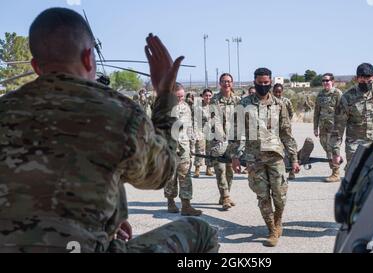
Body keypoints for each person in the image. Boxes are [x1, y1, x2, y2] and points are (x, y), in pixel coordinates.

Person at [0, 8, 218, 253]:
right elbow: (163, 172)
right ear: (88, 58)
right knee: (201, 232)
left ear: (35, 66)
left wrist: (112, 214)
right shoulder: (118, 112)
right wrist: (164, 97)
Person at [232, 68, 301, 247]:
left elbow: (286, 133)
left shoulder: (279, 104)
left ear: (270, 82)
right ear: (254, 82)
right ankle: (271, 230)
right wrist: (234, 156)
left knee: (280, 195)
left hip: (276, 157)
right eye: (260, 83)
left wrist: (294, 158)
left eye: (266, 83)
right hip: (254, 159)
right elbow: (236, 132)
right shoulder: (244, 103)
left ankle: (278, 221)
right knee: (262, 196)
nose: (263, 86)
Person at [330, 63, 373, 171]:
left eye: (369, 81)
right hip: (355, 146)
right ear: (356, 79)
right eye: (362, 81)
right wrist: (335, 152)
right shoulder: (347, 97)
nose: (365, 84)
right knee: (354, 178)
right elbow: (338, 126)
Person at [164, 83, 202, 216]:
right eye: (178, 96)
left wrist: (192, 145)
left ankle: (186, 205)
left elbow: (189, 127)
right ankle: (170, 202)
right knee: (171, 176)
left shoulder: (186, 107)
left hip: (184, 146)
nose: (181, 98)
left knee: (185, 175)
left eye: (182, 96)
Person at [210, 73, 240, 210]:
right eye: (223, 81)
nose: (226, 84)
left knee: (230, 169)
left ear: (232, 83)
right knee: (220, 169)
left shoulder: (238, 100)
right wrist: (222, 137)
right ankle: (226, 196)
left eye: (228, 81)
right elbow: (214, 119)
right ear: (219, 83)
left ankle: (225, 195)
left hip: (233, 141)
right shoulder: (214, 100)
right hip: (219, 140)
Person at [313, 73, 343, 182]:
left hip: (334, 127)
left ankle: (336, 173)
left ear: (332, 81)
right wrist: (315, 127)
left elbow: (342, 111)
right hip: (323, 127)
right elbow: (316, 112)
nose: (325, 82)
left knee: (334, 148)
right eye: (323, 81)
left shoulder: (337, 93)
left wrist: (340, 127)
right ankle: (337, 161)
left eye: (327, 80)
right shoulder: (320, 94)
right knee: (327, 148)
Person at [272, 83, 296, 180]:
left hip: (285, 129)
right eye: (276, 92)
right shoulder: (270, 101)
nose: (278, 94)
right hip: (273, 129)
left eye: (279, 92)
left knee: (289, 148)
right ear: (273, 91)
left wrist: (286, 123)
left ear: (282, 92)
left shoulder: (286, 101)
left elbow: (291, 113)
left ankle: (292, 171)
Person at [193, 89, 214, 177]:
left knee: (210, 151)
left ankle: (208, 169)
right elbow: (195, 121)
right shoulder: (198, 107)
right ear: (202, 96)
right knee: (200, 150)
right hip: (200, 131)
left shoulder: (213, 106)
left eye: (209, 95)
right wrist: (195, 133)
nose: (208, 97)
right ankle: (197, 169)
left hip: (211, 132)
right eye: (206, 95)